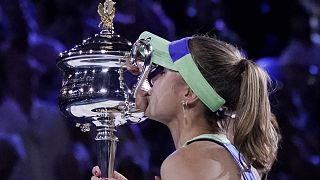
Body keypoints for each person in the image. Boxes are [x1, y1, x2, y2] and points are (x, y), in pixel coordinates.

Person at [91, 31, 281, 180]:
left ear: (189, 93)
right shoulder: (233, 157)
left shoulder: (187, 162)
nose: (153, 78)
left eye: (164, 71)